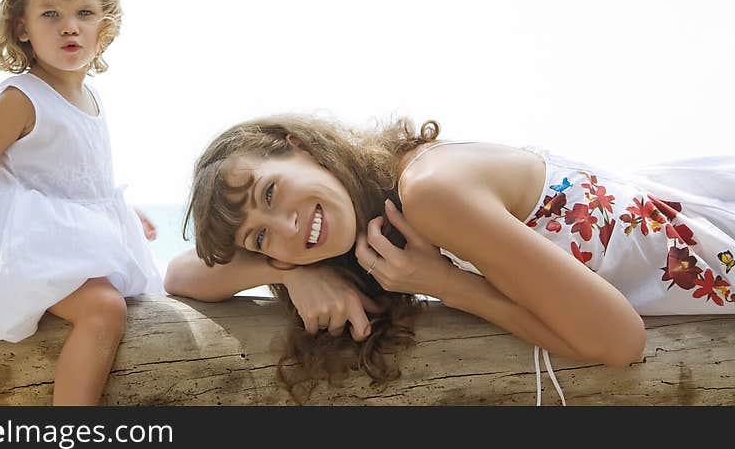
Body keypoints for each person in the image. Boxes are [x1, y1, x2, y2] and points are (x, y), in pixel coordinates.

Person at [165, 114, 735, 404]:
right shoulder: (384, 205)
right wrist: (288, 270)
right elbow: (180, 273)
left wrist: (445, 284)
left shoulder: (430, 192)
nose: (287, 229)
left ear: (300, 146)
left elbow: (618, 342)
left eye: (270, 194)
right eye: (261, 239)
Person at [0, 0, 163, 405]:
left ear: (104, 28)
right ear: (21, 27)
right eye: (50, 14)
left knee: (147, 301)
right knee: (104, 309)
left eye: (84, 13)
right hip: (36, 246)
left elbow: (77, 180)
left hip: (72, 239)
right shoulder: (21, 97)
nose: (69, 26)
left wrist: (120, 215)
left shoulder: (93, 98)